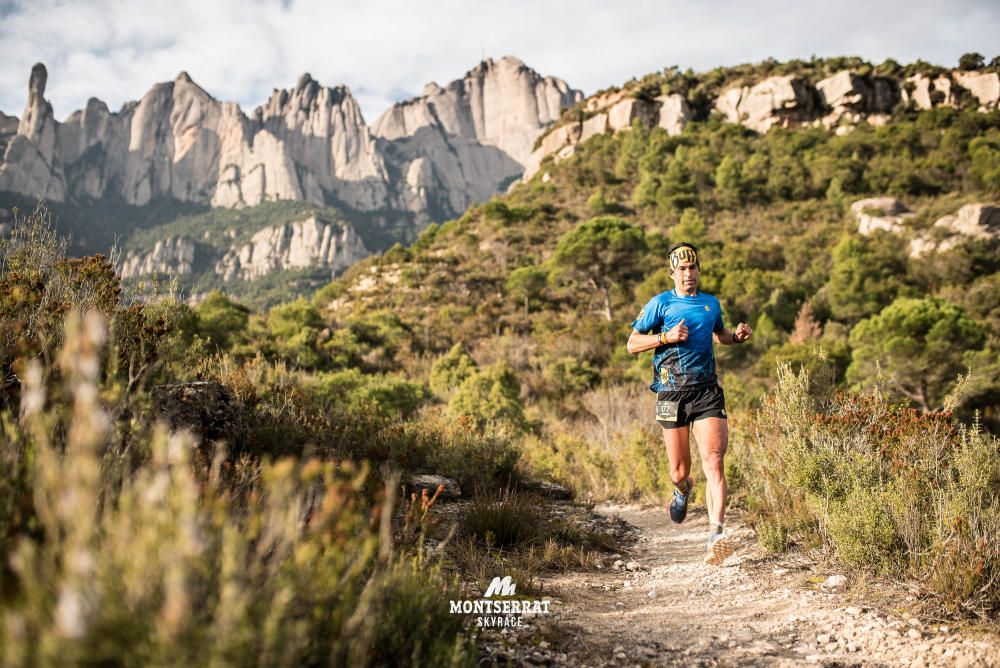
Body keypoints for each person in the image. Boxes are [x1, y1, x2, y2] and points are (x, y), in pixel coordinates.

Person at [625, 241, 753, 565]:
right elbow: (631, 343)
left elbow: (719, 333)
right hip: (671, 394)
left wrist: (734, 338)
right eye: (681, 269)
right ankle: (683, 489)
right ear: (673, 272)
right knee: (678, 471)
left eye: (692, 268)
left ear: (698, 270)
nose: (688, 274)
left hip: (707, 392)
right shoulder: (660, 304)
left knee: (714, 460)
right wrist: (665, 338)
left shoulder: (711, 304)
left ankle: (716, 534)